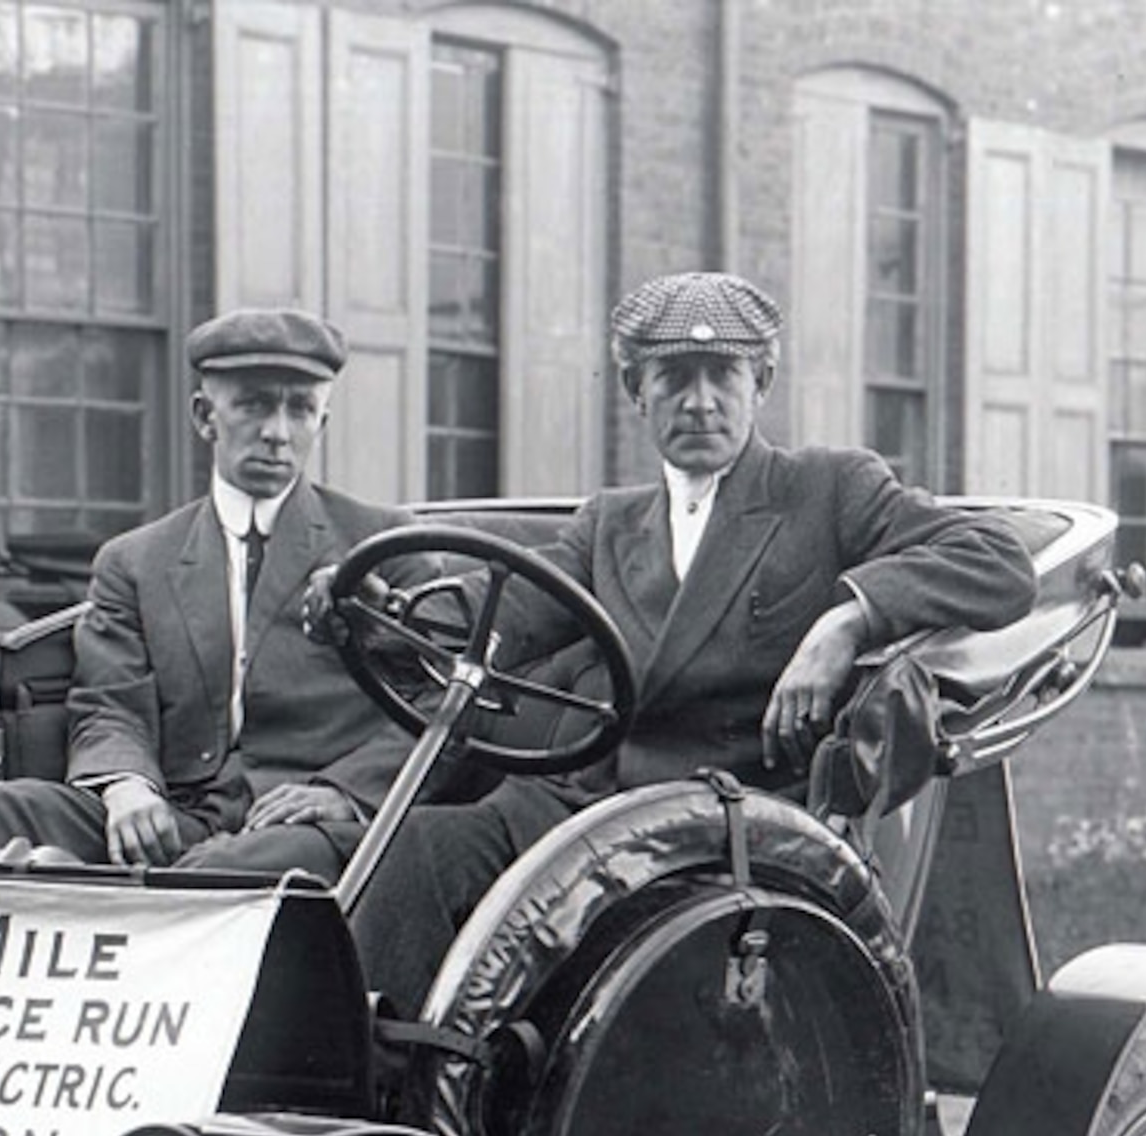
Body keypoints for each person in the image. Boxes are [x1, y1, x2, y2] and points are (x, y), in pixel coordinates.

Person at [346, 271, 1041, 1011]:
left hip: (731, 823)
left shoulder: (828, 491)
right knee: (420, 851)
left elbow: (997, 563)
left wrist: (848, 619)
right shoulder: (607, 526)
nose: (700, 402)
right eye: (674, 378)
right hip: (586, 807)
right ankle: (389, 1085)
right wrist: (384, 611)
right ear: (634, 391)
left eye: (723, 376)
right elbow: (501, 619)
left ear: (762, 382)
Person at [0, 307, 417, 879]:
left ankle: (98, 899)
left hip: (306, 826)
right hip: (180, 814)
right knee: (2, 810)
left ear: (322, 422)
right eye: (254, 404)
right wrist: (126, 787)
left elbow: (441, 706)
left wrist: (344, 792)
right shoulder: (135, 561)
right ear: (204, 416)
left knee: (223, 867)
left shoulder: (385, 544)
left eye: (301, 409)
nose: (278, 432)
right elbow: (109, 703)